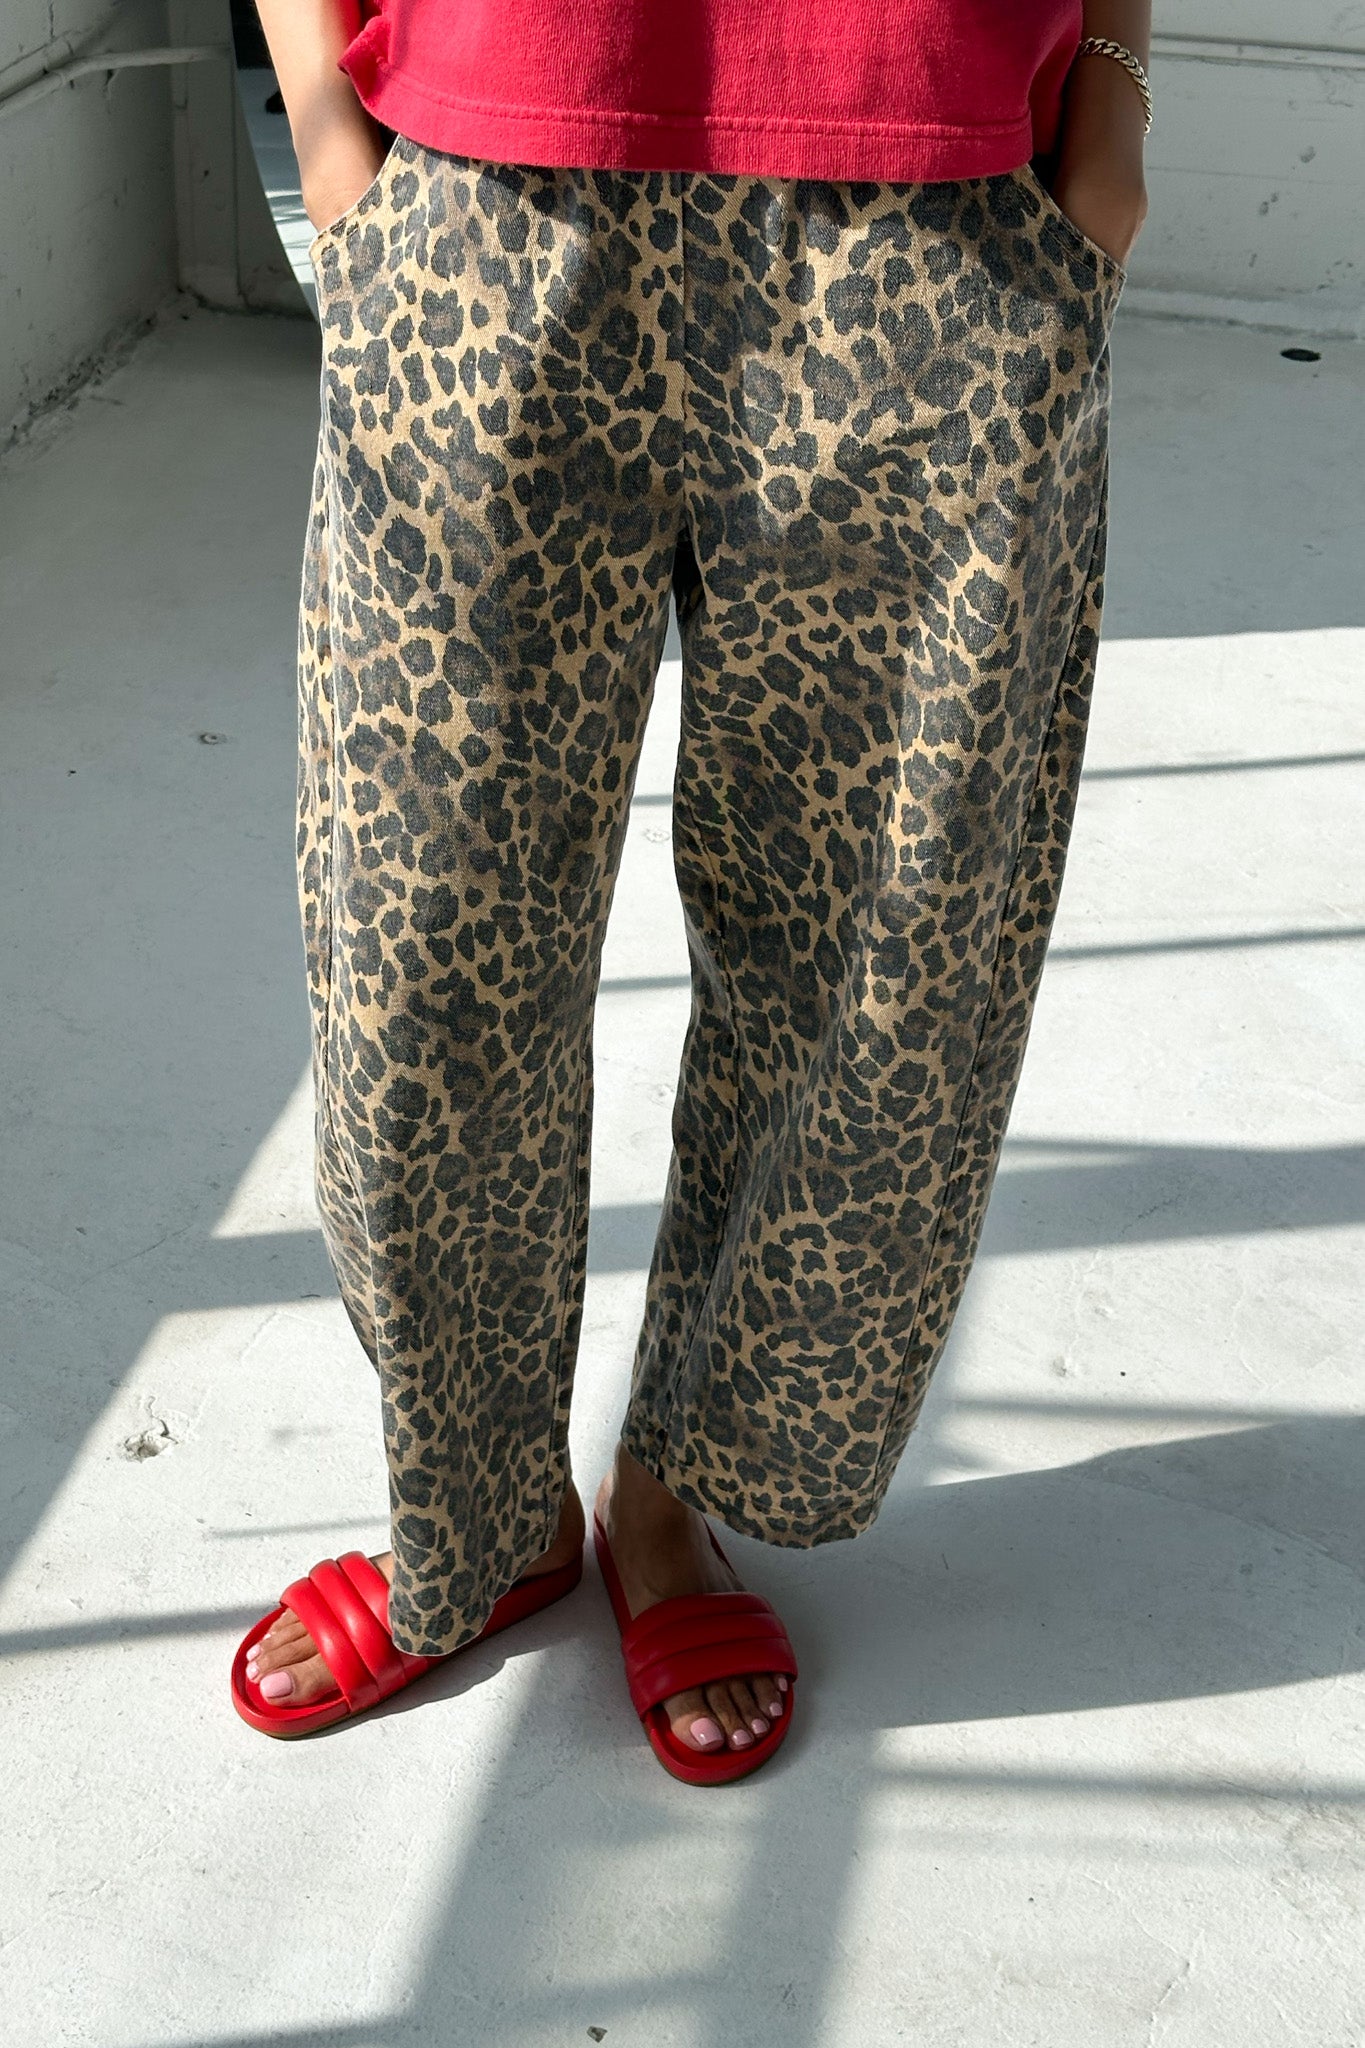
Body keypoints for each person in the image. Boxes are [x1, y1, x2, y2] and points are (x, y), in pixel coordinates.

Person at [231, 0, 1150, 1782]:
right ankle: (478, 1519)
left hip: (937, 232)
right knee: (421, 955)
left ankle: (677, 1499)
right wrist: (325, 130)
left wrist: (1103, 117)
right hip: (485, 202)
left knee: (881, 962)